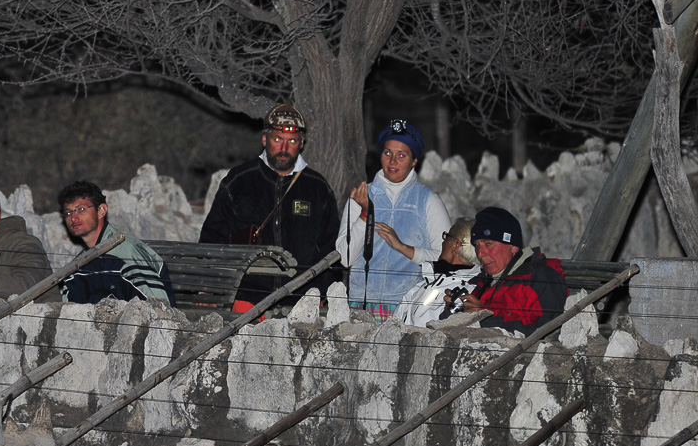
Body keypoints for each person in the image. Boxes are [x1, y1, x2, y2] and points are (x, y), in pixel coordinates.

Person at [199, 102, 340, 312]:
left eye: (291, 141)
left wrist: (325, 294)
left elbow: (331, 248)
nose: (284, 149)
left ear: (301, 143)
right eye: (277, 139)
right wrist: (210, 287)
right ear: (264, 139)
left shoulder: (317, 187)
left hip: (301, 302)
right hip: (246, 299)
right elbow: (213, 238)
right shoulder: (239, 181)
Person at [336, 119, 451, 321]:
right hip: (361, 305)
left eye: (402, 155)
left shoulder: (427, 201)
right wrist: (365, 215)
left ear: (414, 161)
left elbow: (446, 258)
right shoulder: (361, 196)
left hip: (410, 307)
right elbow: (344, 257)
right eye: (387, 153)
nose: (392, 161)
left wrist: (404, 248)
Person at [57, 181, 176, 305]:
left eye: (81, 209)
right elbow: (70, 312)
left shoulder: (126, 253)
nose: (73, 218)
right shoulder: (78, 267)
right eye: (68, 213)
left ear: (101, 210)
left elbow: (160, 307)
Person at [455, 207, 567, 335]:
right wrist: (452, 311)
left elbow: (549, 332)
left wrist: (483, 317)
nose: (480, 253)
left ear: (513, 246)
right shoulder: (483, 283)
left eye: (488, 244)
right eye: (477, 245)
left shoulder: (541, 278)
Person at [393, 218, 480, 327]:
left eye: (447, 237)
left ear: (455, 244)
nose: (443, 242)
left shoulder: (469, 291)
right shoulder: (429, 281)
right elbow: (395, 322)